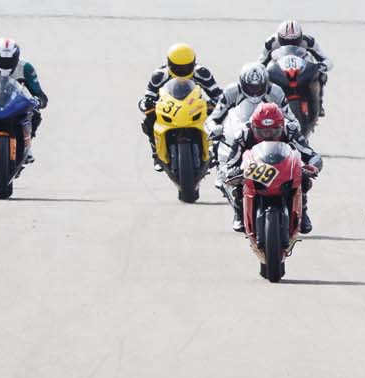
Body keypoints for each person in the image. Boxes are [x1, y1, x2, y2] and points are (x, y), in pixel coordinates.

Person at [222, 100, 321, 235]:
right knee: (238, 182)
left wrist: (313, 166)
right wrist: (232, 171)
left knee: (304, 179)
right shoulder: (244, 133)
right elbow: (231, 161)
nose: (267, 136)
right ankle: (239, 213)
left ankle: (302, 212)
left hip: (283, 169)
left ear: (281, 127)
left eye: (273, 132)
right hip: (256, 170)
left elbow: (311, 154)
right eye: (261, 132)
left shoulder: (290, 130)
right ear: (254, 126)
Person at [138, 44, 222, 169]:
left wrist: (214, 104)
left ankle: (216, 151)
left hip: (194, 107)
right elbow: (148, 97)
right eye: (178, 68)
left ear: (193, 64)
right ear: (169, 64)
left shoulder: (202, 73)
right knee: (148, 119)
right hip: (170, 108)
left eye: (186, 68)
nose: (182, 72)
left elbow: (217, 94)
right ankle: (156, 153)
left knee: (221, 117)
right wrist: (148, 104)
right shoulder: (160, 75)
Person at [261, 19, 330, 116]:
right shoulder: (271, 43)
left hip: (301, 66)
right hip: (280, 67)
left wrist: (322, 66)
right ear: (280, 38)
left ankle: (319, 101)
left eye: (294, 41)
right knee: (263, 79)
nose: (290, 44)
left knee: (321, 75)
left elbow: (325, 58)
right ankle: (264, 105)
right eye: (286, 41)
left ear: (300, 37)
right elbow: (261, 62)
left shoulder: (308, 41)